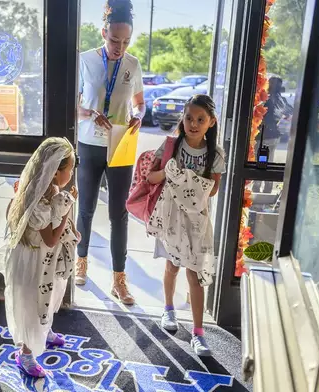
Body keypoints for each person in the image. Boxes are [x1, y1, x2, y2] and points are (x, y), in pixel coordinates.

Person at [0, 137, 79, 377]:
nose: (72, 172)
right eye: (70, 168)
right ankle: (26, 353)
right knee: (33, 304)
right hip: (34, 262)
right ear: (55, 172)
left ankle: (45, 329)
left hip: (47, 260)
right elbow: (50, 238)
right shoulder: (38, 200)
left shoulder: (51, 191)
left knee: (48, 296)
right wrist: (68, 206)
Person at [75, 0, 145, 305]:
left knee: (119, 214)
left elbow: (140, 104)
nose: (120, 46)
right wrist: (90, 113)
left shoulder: (133, 65)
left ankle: (119, 280)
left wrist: (138, 116)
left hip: (120, 146)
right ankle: (81, 263)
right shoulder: (84, 60)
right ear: (104, 32)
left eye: (126, 41)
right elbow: (70, 107)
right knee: (86, 208)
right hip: (89, 144)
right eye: (115, 40)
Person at [147, 95, 226, 356]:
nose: (193, 124)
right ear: (183, 119)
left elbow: (213, 191)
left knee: (194, 274)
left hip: (197, 220)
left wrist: (189, 181)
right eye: (189, 118)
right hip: (171, 217)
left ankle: (198, 332)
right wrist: (170, 172)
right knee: (173, 265)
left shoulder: (215, 153)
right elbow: (151, 177)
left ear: (211, 122)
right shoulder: (171, 145)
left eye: (200, 119)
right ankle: (168, 309)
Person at [253, 76, 293, 193]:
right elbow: (288, 114)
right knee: (268, 160)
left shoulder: (264, 100)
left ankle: (257, 184)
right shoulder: (281, 100)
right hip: (273, 136)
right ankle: (268, 186)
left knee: (261, 161)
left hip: (262, 136)